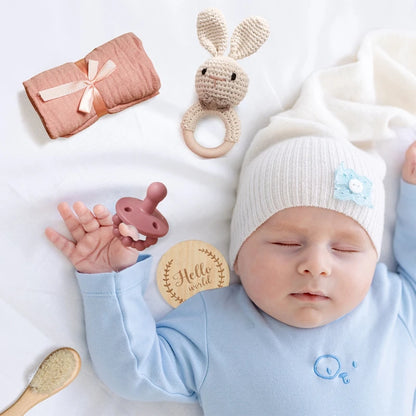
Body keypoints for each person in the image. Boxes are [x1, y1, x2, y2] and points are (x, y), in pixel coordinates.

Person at [46, 136, 416, 415]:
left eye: (346, 249)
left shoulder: (395, 305)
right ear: (239, 255)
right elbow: (136, 370)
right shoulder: (216, 323)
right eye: (287, 243)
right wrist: (109, 278)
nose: (316, 265)